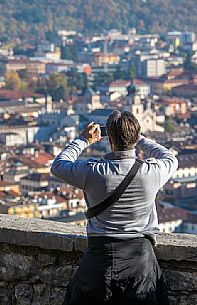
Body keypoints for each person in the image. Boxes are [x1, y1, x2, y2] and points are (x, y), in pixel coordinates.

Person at [50, 110, 178, 305]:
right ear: (135, 136)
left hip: (99, 260)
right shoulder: (152, 171)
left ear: (109, 138)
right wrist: (138, 139)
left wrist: (83, 140)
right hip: (140, 261)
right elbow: (170, 157)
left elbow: (59, 166)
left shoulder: (93, 171)